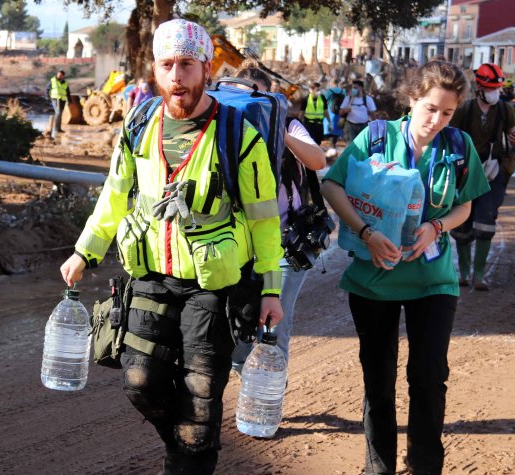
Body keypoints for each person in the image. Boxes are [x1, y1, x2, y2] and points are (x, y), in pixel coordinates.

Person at [59, 19, 284, 474]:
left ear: (205, 68)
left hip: (213, 284)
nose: (177, 75)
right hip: (151, 277)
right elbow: (115, 194)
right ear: (155, 71)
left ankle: (192, 447)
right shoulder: (139, 125)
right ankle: (190, 443)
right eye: (167, 65)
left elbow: (264, 217)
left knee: (201, 393)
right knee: (139, 382)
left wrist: (272, 288)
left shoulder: (238, 134)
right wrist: (86, 250)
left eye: (186, 64)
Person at [321, 60, 489, 475]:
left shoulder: (458, 145)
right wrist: (364, 233)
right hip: (373, 282)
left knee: (429, 379)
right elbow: (331, 184)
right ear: (413, 98)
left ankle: (425, 467)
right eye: (430, 108)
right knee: (378, 385)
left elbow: (466, 204)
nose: (436, 120)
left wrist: (437, 226)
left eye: (447, 112)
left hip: (433, 281)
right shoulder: (375, 138)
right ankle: (380, 469)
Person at [229, 61, 326, 377]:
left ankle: (267, 402)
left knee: (273, 327)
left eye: (262, 100)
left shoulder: (289, 125)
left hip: (287, 244)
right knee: (236, 325)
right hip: (240, 245)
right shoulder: (226, 127)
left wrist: (279, 132)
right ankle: (251, 387)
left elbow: (317, 160)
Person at [448, 63, 515, 290]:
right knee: (461, 225)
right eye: (491, 88)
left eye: (497, 88)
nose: (495, 93)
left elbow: (513, 134)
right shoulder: (464, 109)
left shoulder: (505, 110)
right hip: (465, 172)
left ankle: (479, 275)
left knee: (486, 222)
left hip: (493, 172)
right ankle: (464, 273)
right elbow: (450, 137)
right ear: (479, 87)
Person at [338, 79, 377, 145]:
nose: (354, 90)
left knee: (363, 144)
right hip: (350, 126)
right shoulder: (348, 98)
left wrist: (374, 125)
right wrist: (345, 110)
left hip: (363, 126)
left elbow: (372, 113)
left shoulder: (368, 99)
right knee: (351, 145)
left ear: (361, 88)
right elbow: (340, 112)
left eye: (356, 88)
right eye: (353, 88)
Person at [300, 81, 328, 145]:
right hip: (309, 124)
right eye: (317, 90)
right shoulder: (306, 99)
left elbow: (325, 111)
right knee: (310, 142)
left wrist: (329, 122)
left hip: (319, 124)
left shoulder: (322, 98)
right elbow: (301, 112)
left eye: (319, 89)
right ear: (312, 90)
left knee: (318, 143)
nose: (319, 91)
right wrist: (299, 122)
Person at [324, 78, 346, 148]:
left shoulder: (330, 91)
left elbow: (324, 100)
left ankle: (329, 141)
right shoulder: (343, 91)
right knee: (337, 127)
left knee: (329, 125)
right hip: (340, 111)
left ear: (332, 83)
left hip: (331, 111)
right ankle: (334, 142)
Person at [46, 70, 68, 136]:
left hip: (62, 99)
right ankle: (55, 129)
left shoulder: (65, 83)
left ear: (63, 76)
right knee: (58, 112)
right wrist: (48, 96)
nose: (59, 76)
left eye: (61, 75)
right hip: (55, 99)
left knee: (60, 114)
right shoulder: (53, 80)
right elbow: (47, 88)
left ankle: (59, 128)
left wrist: (69, 100)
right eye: (58, 74)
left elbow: (67, 91)